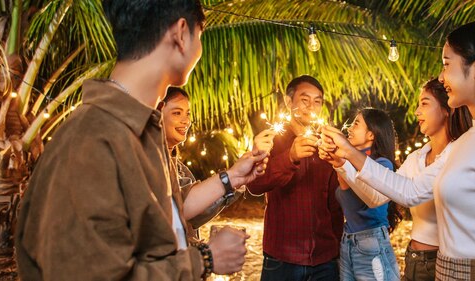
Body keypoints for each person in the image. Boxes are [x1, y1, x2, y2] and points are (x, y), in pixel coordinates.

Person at [15, 1, 268, 280]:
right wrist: (205, 259)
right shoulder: (92, 140)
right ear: (181, 34)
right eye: (201, 36)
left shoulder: (145, 132)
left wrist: (231, 177)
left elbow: (166, 214)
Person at [321, 20, 475, 280]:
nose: (442, 78)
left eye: (447, 64)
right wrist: (347, 153)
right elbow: (409, 191)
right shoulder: (466, 141)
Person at [320, 79, 470, 281]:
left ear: (447, 109)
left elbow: (409, 193)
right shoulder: (416, 158)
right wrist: (339, 162)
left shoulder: (459, 154)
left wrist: (347, 152)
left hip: (447, 262)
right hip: (414, 259)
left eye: (424, 104)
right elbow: (376, 197)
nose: (417, 112)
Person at [249, 75, 343, 281]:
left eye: (317, 101)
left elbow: (334, 205)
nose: (311, 106)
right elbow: (255, 185)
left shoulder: (326, 145)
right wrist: (290, 157)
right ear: (289, 102)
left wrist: (335, 250)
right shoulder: (270, 140)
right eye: (305, 99)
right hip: (282, 258)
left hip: (324, 261)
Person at [319, 108, 401, 281]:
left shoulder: (381, 165)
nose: (349, 128)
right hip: (348, 240)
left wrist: (341, 162)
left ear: (371, 135)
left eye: (356, 123)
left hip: (370, 241)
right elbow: (348, 195)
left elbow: (368, 198)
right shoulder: (348, 163)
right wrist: (337, 161)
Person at [159, 86, 243, 236]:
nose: (186, 121)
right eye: (177, 113)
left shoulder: (180, 168)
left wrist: (236, 181)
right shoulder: (148, 162)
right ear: (156, 114)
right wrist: (230, 178)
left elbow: (195, 215)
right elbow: (181, 209)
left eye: (188, 114)